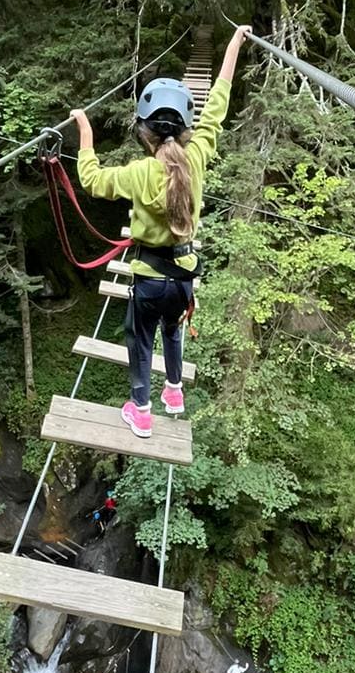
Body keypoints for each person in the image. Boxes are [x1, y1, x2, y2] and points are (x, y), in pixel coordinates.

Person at [71, 24, 252, 437]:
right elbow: (218, 103)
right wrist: (234, 44)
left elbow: (93, 181)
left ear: (143, 132)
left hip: (150, 280)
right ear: (186, 130)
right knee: (172, 329)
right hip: (185, 277)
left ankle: (141, 411)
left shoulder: (138, 172)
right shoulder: (199, 156)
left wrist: (85, 131)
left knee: (140, 341)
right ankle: (174, 391)